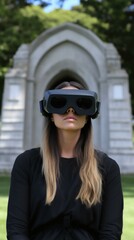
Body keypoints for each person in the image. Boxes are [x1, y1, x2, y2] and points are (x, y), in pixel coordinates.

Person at [6, 79, 123, 240]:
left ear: (89, 115)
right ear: (50, 114)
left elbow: (111, 232)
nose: (70, 109)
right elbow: (16, 229)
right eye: (60, 102)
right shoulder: (26, 163)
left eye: (80, 103)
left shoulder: (107, 168)